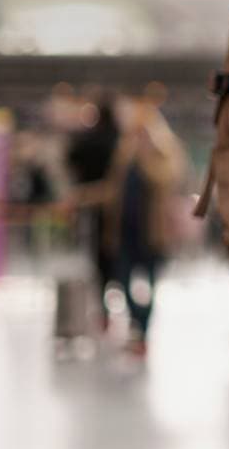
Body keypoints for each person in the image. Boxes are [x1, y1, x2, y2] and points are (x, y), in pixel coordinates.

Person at [104, 98, 185, 355]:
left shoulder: (162, 158)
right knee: (123, 282)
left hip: (152, 235)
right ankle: (137, 322)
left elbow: (169, 180)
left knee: (149, 285)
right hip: (126, 233)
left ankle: (143, 332)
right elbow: (112, 191)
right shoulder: (124, 159)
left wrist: (147, 155)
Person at [66, 91, 120, 317]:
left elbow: (70, 157)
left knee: (96, 252)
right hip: (117, 207)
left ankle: (101, 299)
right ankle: (110, 294)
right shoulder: (119, 140)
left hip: (90, 203)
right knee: (113, 252)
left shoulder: (89, 138)